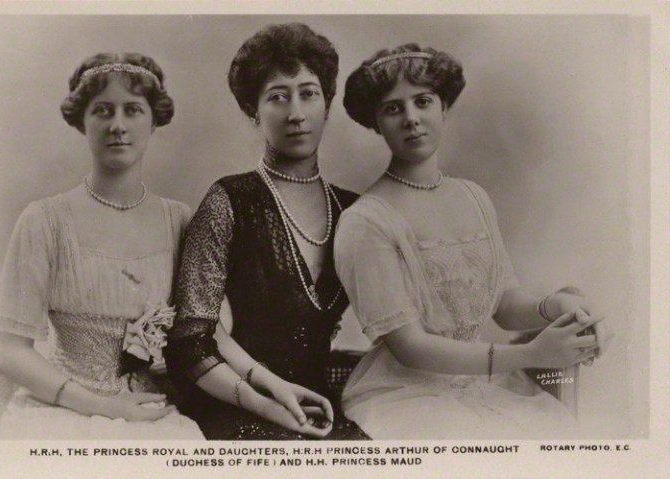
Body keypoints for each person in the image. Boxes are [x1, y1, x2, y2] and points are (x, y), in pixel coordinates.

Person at [334, 43, 612, 439]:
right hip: (408, 398)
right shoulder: (366, 221)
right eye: (393, 108)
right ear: (377, 123)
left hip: (488, 382)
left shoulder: (473, 197)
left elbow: (504, 306)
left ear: (443, 107)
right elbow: (410, 347)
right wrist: (531, 355)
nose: (411, 118)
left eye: (423, 101)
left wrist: (558, 306)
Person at [165, 23, 369, 440]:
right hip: (235, 403)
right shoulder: (230, 199)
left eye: (308, 93)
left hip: (319, 404)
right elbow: (190, 341)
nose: (296, 113)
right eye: (278, 97)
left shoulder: (355, 211)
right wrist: (270, 405)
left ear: (327, 104)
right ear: (253, 110)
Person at [0, 52, 203, 439]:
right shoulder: (44, 219)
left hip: (150, 410)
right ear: (82, 122)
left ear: (154, 121)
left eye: (133, 110)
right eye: (102, 111)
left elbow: (210, 331)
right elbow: (9, 351)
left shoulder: (180, 221)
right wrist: (103, 407)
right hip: (60, 410)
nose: (118, 126)